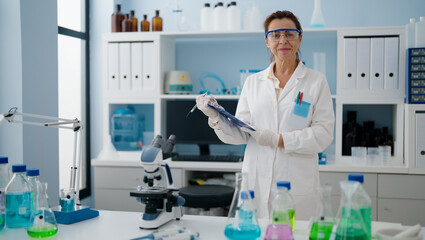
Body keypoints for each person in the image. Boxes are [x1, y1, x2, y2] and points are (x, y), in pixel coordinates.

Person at [196, 10, 334, 220]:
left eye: (289, 34)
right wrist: (214, 117)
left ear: (300, 38)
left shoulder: (316, 81)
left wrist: (279, 140)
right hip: (257, 184)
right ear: (266, 41)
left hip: (296, 186)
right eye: (275, 35)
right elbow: (240, 134)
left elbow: (323, 135)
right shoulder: (253, 82)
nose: (283, 40)